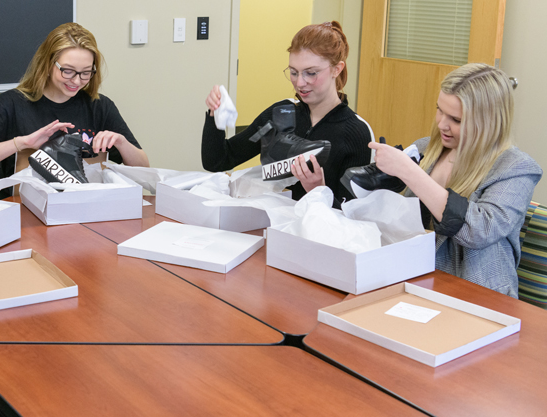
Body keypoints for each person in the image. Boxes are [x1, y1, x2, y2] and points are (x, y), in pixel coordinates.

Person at [370, 63, 542, 298]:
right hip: (417, 280)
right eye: (439, 110)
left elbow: (479, 230)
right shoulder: (426, 148)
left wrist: (411, 173)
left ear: (489, 121)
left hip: (478, 295)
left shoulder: (516, 168)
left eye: (456, 119)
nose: (442, 124)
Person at [0, 22, 149, 198]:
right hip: (21, 214)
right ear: (48, 65)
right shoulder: (12, 103)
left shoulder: (100, 106)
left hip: (81, 211)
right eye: (68, 71)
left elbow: (144, 170)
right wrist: (22, 143)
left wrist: (122, 142)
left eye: (85, 72)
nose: (76, 81)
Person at [201, 21, 373, 208]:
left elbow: (355, 216)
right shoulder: (281, 114)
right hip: (272, 224)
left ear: (336, 69)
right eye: (293, 72)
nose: (300, 83)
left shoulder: (356, 132)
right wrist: (214, 114)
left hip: (316, 234)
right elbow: (217, 161)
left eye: (311, 73)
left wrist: (318, 190)